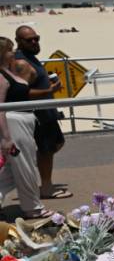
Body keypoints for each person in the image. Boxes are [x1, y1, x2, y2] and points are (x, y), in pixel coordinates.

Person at [14, 26, 70, 199]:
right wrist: (49, 90)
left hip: (46, 112)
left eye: (36, 38)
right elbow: (22, 92)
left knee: (55, 144)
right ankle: (46, 187)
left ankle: (40, 179)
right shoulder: (22, 63)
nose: (34, 42)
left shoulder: (31, 58)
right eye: (29, 40)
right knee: (47, 149)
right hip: (39, 115)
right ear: (18, 41)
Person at [0, 37, 50, 218]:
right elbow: (0, 108)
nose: (13, 53)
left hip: (23, 121)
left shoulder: (7, 71)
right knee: (25, 167)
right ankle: (33, 208)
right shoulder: (1, 76)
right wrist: (6, 138)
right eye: (9, 50)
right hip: (15, 123)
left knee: (12, 172)